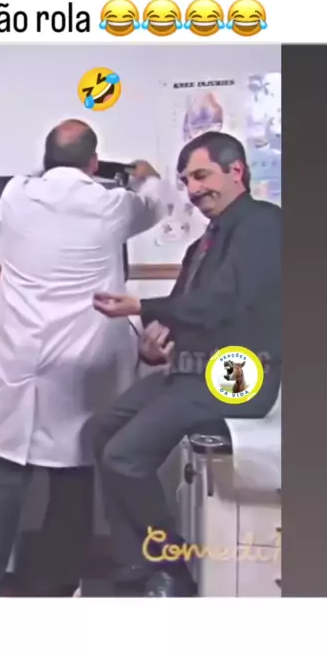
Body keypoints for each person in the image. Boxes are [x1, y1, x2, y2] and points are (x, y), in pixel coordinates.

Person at [0, 119, 167, 596]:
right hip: (78, 367)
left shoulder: (16, 196)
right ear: (93, 163)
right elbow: (156, 201)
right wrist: (142, 174)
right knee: (71, 484)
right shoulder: (114, 205)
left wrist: (65, 168)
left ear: (46, 157)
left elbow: (34, 181)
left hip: (15, 362)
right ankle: (53, 586)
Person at [92, 131, 282, 597]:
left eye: (201, 176)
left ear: (236, 171)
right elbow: (182, 310)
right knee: (101, 430)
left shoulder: (262, 224)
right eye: (185, 181)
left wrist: (143, 307)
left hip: (240, 373)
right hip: (193, 371)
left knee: (124, 455)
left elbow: (223, 301)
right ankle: (135, 557)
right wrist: (156, 339)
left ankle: (170, 565)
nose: (193, 190)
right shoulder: (202, 245)